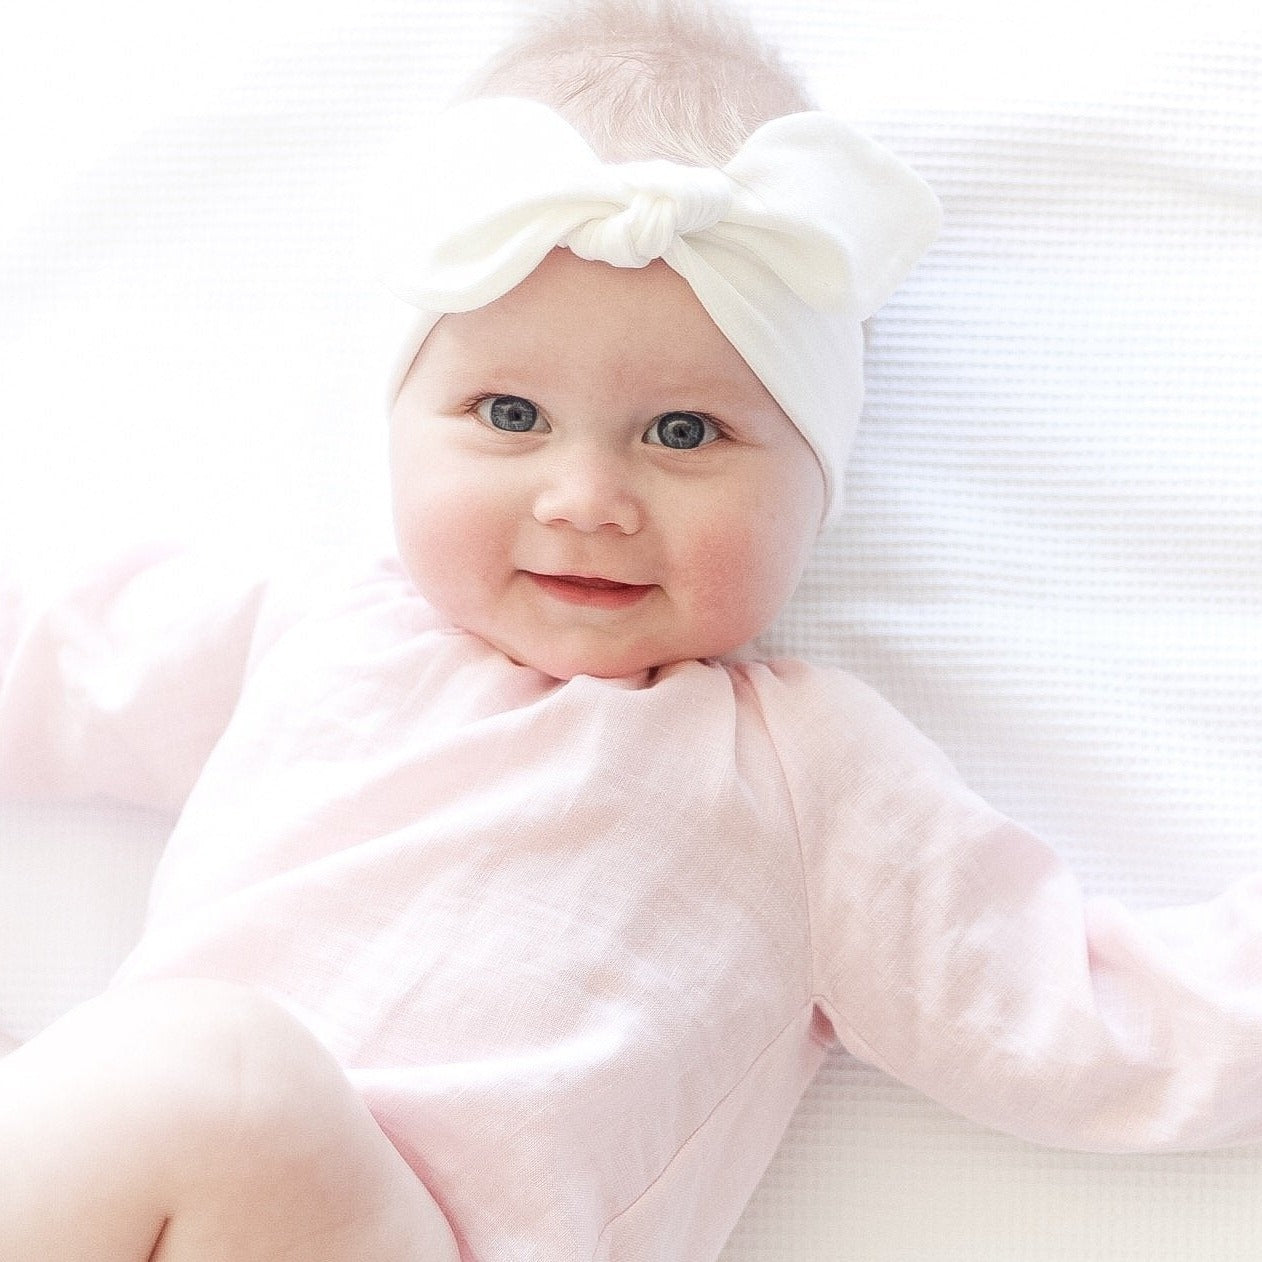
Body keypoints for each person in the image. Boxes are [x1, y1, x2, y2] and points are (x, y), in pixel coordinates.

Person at [2, 0, 1260, 1259]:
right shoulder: (321, 633)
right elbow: (56, 657)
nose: (586, 499)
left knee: (221, 1071)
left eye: (681, 433)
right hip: (151, 1205)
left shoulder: (794, 771)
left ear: (810, 485)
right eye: (507, 411)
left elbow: (1086, 1014)